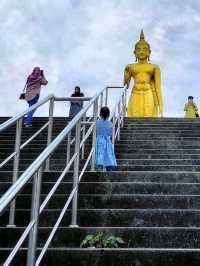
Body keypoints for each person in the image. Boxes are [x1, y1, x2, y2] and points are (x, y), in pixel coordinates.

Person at [124, 30, 163, 117]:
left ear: (149, 52)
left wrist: (161, 106)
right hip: (135, 93)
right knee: (134, 118)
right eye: (139, 49)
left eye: (144, 49)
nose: (141, 51)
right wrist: (126, 74)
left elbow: (158, 88)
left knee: (149, 118)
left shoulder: (154, 67)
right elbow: (125, 86)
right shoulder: (131, 67)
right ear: (135, 52)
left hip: (148, 93)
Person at [95, 107, 117, 171]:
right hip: (107, 141)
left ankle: (99, 167)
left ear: (100, 114)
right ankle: (109, 168)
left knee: (100, 153)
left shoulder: (97, 123)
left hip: (99, 140)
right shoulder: (110, 124)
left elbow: (96, 131)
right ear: (108, 115)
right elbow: (111, 133)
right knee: (108, 154)